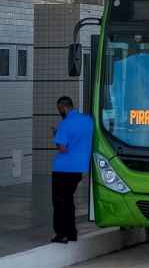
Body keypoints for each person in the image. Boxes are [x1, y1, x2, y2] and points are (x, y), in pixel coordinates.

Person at [51, 96, 93, 244]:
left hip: (63, 169)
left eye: (59, 110)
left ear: (63, 107)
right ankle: (72, 233)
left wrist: (56, 135)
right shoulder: (88, 120)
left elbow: (62, 147)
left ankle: (61, 233)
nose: (59, 112)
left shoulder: (66, 123)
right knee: (69, 201)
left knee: (59, 202)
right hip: (79, 168)